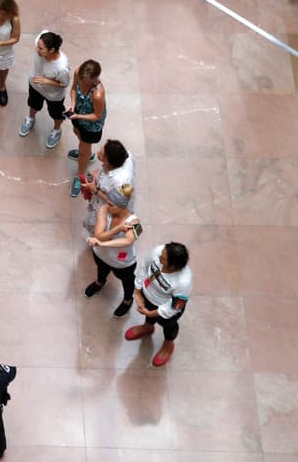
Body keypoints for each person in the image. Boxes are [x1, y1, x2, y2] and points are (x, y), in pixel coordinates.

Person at [126, 242, 192, 367]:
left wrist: (152, 313)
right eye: (162, 253)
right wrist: (138, 291)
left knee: (169, 326)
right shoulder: (159, 251)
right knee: (149, 316)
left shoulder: (184, 281)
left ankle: (168, 345)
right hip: (148, 295)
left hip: (166, 308)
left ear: (173, 266)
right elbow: (144, 267)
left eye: (163, 258)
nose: (159, 256)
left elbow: (174, 306)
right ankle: (148, 327)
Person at [84, 184, 141, 319]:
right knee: (101, 269)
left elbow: (128, 241)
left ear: (122, 206)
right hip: (101, 254)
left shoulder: (136, 222)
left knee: (127, 280)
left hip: (122, 263)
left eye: (112, 204)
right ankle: (100, 282)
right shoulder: (104, 209)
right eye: (108, 202)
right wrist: (118, 229)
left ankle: (128, 300)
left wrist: (103, 243)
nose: (107, 206)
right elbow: (98, 235)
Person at [19, 31, 71, 149]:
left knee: (56, 113)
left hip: (53, 95)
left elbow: (65, 83)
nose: (37, 50)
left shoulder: (61, 67)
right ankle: (30, 118)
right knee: (33, 104)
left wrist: (47, 81)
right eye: (38, 45)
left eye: (41, 48)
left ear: (51, 50)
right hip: (35, 86)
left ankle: (57, 130)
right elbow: (45, 33)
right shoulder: (42, 39)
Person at [66, 60, 107, 196]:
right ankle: (86, 155)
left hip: (90, 125)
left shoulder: (98, 94)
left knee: (84, 147)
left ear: (95, 79)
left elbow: (97, 115)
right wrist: (73, 104)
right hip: (78, 114)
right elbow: (73, 89)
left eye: (86, 82)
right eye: (82, 80)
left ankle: (80, 177)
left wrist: (79, 117)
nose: (82, 83)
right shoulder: (79, 72)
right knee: (77, 132)